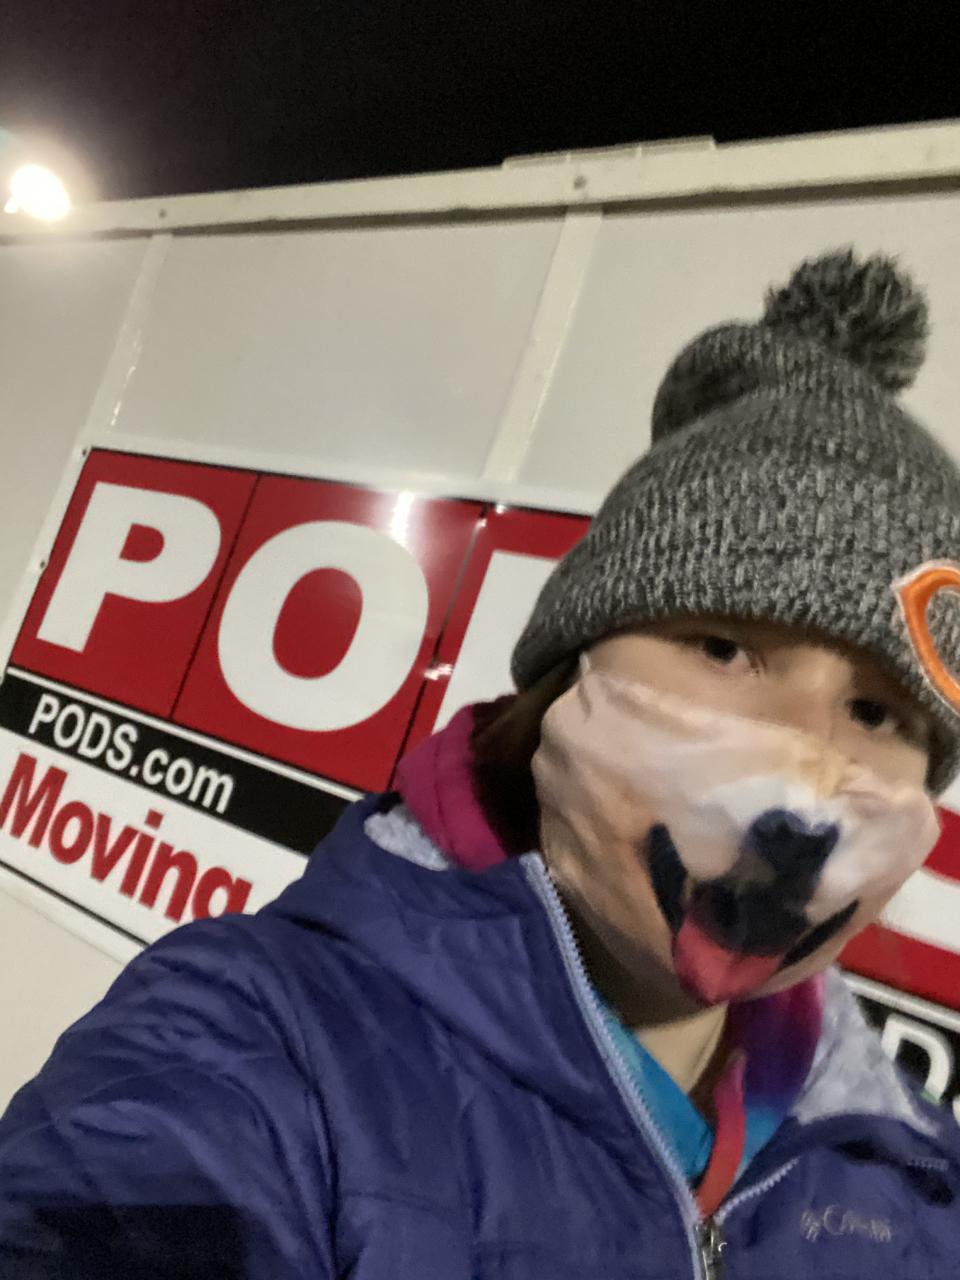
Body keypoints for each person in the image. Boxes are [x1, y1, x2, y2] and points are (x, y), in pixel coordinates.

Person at [1, 249, 959, 1279]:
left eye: (877, 711)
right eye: (723, 647)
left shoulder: (912, 1165)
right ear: (571, 672)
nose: (809, 767)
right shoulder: (254, 1039)